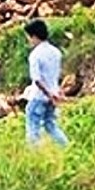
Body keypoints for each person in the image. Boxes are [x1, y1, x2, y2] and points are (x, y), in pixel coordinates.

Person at [23, 18, 69, 147]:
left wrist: (48, 94)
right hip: (52, 95)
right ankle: (65, 147)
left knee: (33, 126)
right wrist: (55, 94)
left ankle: (35, 154)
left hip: (39, 96)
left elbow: (37, 80)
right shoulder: (56, 52)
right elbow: (56, 75)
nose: (29, 40)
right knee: (51, 125)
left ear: (34, 36)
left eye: (29, 37)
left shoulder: (35, 55)